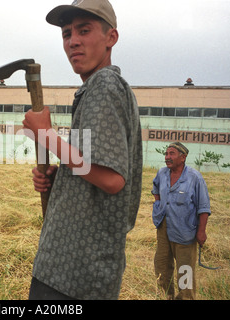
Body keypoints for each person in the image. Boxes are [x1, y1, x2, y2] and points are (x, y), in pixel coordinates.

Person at [22, 0, 142, 300]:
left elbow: (112, 179)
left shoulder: (105, 84)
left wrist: (46, 136)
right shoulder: (96, 90)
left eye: (84, 30)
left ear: (110, 38)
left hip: (74, 275)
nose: (73, 41)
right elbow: (91, 165)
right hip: (71, 270)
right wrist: (60, 175)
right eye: (66, 34)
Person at [151, 142, 211, 300]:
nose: (167, 157)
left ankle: (186, 297)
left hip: (185, 231)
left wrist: (201, 231)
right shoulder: (162, 173)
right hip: (164, 228)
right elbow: (155, 189)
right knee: (162, 265)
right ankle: (166, 296)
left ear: (183, 157)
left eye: (172, 154)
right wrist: (158, 206)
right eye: (166, 154)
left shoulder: (194, 177)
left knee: (185, 270)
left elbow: (203, 207)